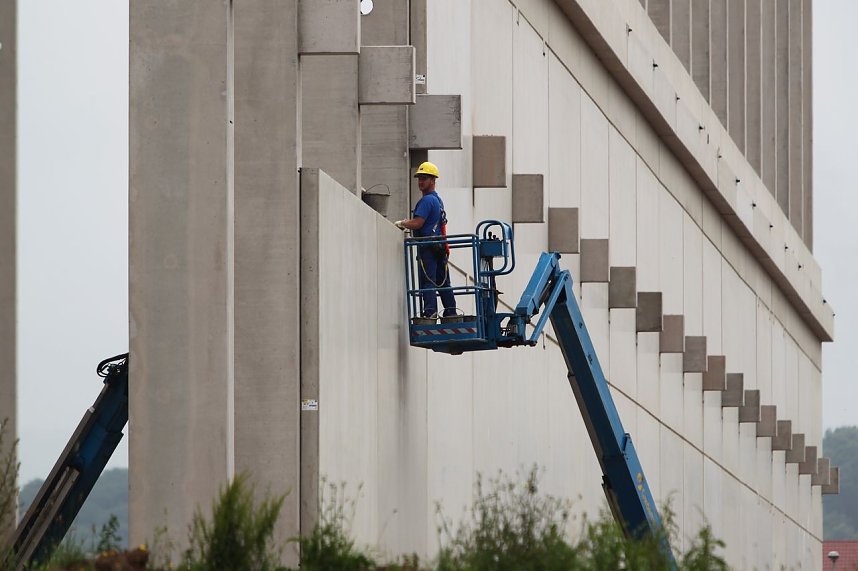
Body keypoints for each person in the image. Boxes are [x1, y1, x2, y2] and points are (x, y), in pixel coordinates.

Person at [395, 162, 457, 318]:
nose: (420, 182)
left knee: (428, 282)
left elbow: (418, 223)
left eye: (424, 178)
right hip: (440, 247)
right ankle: (451, 314)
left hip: (429, 247)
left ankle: (430, 313)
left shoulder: (427, 200)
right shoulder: (438, 200)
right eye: (419, 179)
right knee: (443, 282)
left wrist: (403, 223)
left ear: (433, 181)